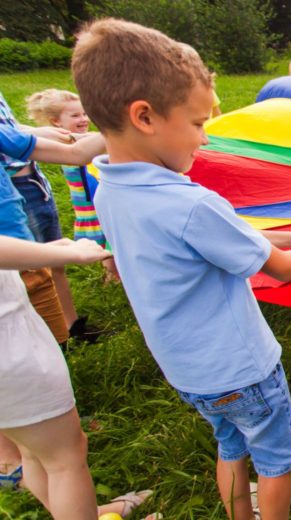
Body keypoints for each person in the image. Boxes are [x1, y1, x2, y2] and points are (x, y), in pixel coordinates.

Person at [72, 19, 291, 520]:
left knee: (231, 447)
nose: (204, 139)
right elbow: (282, 271)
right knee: (276, 463)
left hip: (189, 372)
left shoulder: (110, 188)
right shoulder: (192, 203)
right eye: (198, 124)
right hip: (245, 369)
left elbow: (219, 243)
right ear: (146, 116)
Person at [0, 124, 153, 520]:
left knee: (35, 449)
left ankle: (79, 509)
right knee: (65, 458)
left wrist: (44, 249)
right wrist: (66, 255)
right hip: (9, 343)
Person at [1, 91, 102, 343]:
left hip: (29, 198)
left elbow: (74, 153)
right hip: (12, 254)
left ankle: (63, 336)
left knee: (42, 281)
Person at [26, 89, 117, 279]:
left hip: (97, 197)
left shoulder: (85, 138)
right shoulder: (65, 144)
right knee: (106, 236)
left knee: (109, 236)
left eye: (84, 113)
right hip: (88, 202)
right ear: (56, 121)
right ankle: (111, 273)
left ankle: (112, 274)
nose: (83, 119)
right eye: (75, 115)